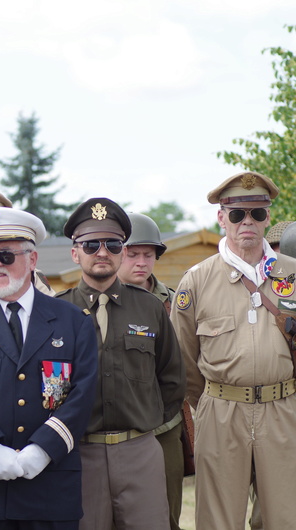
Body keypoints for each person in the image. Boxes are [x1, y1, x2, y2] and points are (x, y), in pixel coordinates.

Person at [0, 207, 98, 529]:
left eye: (6, 256)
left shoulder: (73, 322)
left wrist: (42, 449)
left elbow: (82, 393)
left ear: (32, 260)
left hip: (50, 487)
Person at [170, 171, 296, 530]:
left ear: (268, 217)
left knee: (285, 517)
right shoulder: (196, 280)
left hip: (284, 409)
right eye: (238, 214)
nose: (248, 222)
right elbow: (184, 361)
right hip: (222, 411)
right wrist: (212, 403)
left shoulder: (291, 274)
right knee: (219, 519)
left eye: (257, 213)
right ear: (221, 217)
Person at [55, 198, 184, 530]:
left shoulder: (150, 309)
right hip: (78, 454)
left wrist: (144, 426)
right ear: (75, 252)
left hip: (139, 450)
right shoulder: (55, 313)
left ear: (121, 251)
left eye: (112, 244)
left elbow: (172, 381)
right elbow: (49, 389)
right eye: (90, 244)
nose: (102, 252)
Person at [116, 213, 184, 530]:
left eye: (149, 254)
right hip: (115, 427)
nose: (141, 262)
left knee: (167, 513)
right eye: (133, 253)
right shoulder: (93, 301)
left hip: (165, 425)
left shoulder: (175, 303)